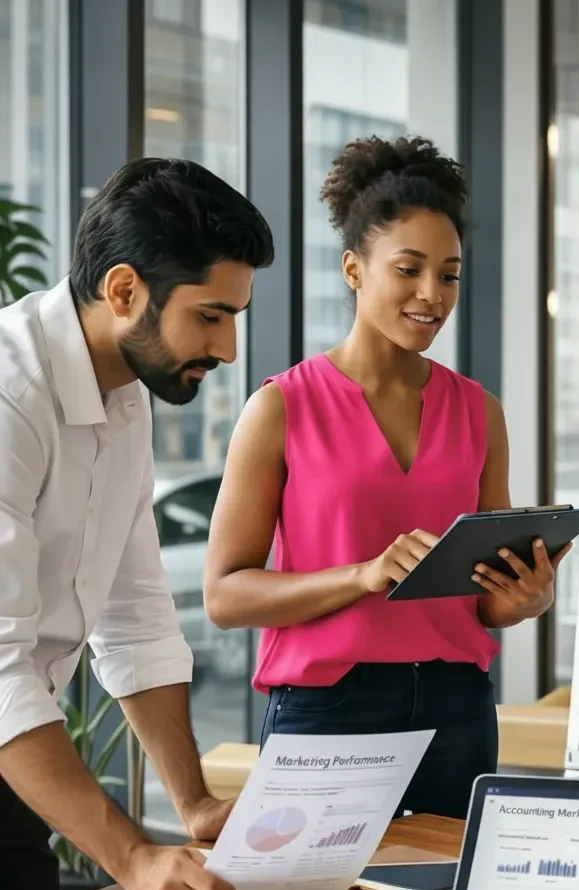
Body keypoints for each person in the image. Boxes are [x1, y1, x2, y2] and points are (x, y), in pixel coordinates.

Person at [203, 135, 568, 819]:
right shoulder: (281, 408)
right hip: (328, 710)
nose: (433, 294)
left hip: (457, 712)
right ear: (352, 268)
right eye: (409, 269)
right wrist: (361, 576)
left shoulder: (479, 412)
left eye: (450, 274)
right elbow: (225, 595)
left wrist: (524, 598)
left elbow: (484, 602)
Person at [0, 157, 274, 890]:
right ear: (124, 290)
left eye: (233, 319)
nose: (227, 350)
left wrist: (193, 805)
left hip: (12, 764)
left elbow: (136, 620)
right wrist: (130, 856)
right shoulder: (8, 392)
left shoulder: (123, 399)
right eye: (209, 316)